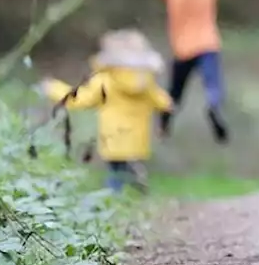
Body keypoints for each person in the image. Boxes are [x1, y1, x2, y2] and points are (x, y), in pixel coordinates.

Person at [98, 0, 255, 143]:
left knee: (175, 92)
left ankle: (164, 126)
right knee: (213, 84)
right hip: (208, 45)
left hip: (183, 50)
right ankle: (213, 105)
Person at [39, 29, 175, 192]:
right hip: (137, 140)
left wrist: (53, 88)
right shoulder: (146, 83)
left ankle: (115, 196)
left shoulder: (105, 80)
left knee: (115, 174)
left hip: (114, 138)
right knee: (124, 169)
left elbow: (79, 99)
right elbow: (165, 103)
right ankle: (133, 177)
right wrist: (164, 123)